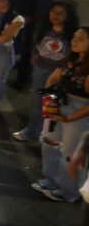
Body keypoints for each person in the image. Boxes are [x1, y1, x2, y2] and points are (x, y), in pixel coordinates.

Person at [33, 27, 89, 202]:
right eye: (74, 36)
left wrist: (69, 118)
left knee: (70, 152)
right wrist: (49, 98)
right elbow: (54, 77)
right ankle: (50, 179)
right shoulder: (70, 59)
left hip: (79, 110)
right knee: (49, 140)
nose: (74, 40)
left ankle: (68, 191)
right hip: (58, 101)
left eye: (81, 38)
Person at [14, 2, 79, 143]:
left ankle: (48, 135)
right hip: (39, 70)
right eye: (54, 11)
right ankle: (32, 132)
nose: (56, 15)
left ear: (68, 17)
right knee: (37, 103)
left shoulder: (70, 35)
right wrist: (34, 57)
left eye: (61, 13)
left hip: (56, 74)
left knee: (51, 105)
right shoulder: (43, 28)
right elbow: (36, 44)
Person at [6, 0, 53, 89]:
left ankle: (23, 79)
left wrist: (34, 18)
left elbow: (44, 0)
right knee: (13, 43)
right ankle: (12, 65)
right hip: (14, 16)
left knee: (26, 49)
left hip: (28, 18)